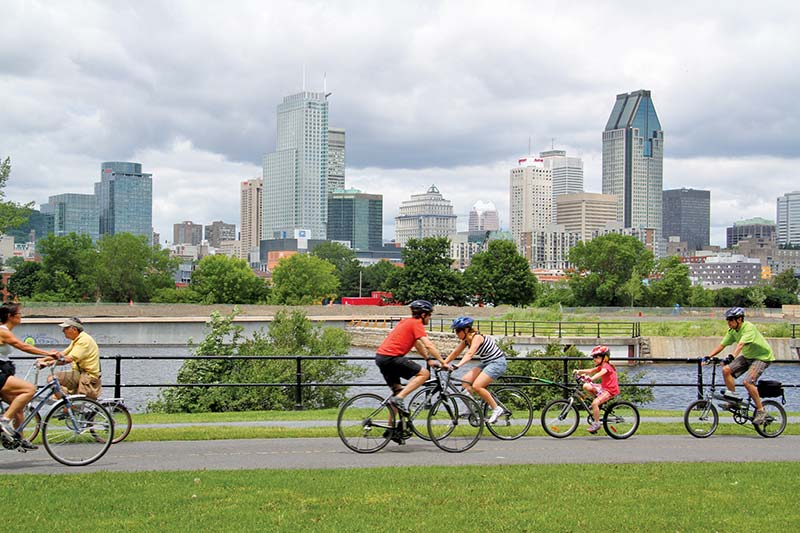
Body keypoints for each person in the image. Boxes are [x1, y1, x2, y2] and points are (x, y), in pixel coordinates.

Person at [0, 303, 61, 450]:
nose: (21, 316)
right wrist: (48, 354)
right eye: (19, 314)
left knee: (18, 406)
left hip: (3, 371)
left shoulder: (6, 331)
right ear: (10, 316)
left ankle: (17, 440)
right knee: (30, 389)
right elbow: (23, 346)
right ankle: (4, 421)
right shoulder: (3, 331)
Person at [374, 300, 447, 413]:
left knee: (397, 392)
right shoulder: (416, 323)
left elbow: (417, 344)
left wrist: (428, 359)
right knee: (424, 374)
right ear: (423, 315)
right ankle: (399, 399)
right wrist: (443, 362)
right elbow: (428, 345)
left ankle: (392, 428)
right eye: (429, 315)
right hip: (391, 357)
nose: (430, 318)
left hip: (381, 357)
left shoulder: (406, 322)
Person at [705, 306, 774, 425]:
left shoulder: (748, 328)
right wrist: (708, 356)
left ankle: (761, 411)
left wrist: (731, 357)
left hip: (762, 357)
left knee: (747, 382)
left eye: (731, 320)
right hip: (748, 356)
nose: (729, 323)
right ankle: (733, 400)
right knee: (726, 370)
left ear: (740, 319)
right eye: (728, 320)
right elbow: (722, 345)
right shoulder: (732, 331)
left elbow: (741, 344)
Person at [443, 316, 508, 424]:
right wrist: (443, 363)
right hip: (487, 363)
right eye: (455, 331)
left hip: (497, 363)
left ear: (466, 329)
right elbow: (455, 353)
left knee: (477, 386)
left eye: (458, 330)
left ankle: (497, 409)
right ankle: (472, 409)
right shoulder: (466, 341)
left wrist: (458, 365)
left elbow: (470, 354)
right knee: (465, 381)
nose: (456, 333)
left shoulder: (477, 337)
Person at [37, 317, 102, 400]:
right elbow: (62, 354)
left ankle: (66, 405)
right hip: (79, 373)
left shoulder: (84, 341)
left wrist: (48, 364)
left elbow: (69, 359)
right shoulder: (77, 339)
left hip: (87, 376)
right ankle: (64, 406)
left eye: (65, 328)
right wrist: (43, 359)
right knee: (54, 396)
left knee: (52, 379)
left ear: (74, 329)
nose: (63, 331)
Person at [574, 344, 620, 434]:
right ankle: (598, 403)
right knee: (586, 386)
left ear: (605, 358)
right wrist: (579, 371)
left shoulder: (607, 367)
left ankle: (597, 423)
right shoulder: (601, 366)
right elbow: (591, 370)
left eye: (596, 357)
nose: (594, 359)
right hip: (603, 388)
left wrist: (591, 378)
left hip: (610, 390)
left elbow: (600, 373)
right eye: (593, 357)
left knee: (594, 403)